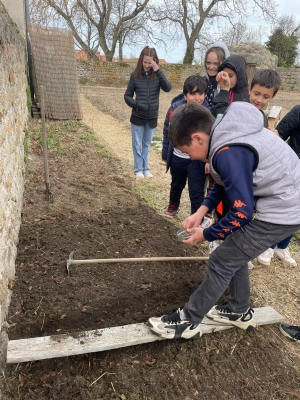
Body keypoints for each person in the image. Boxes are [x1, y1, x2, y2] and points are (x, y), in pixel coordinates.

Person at [147, 101, 300, 340]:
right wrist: (201, 212)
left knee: (221, 259)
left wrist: (206, 234)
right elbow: (225, 184)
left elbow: (241, 212)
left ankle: (188, 320)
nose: (191, 158)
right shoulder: (226, 136)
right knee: (234, 250)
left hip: (286, 210)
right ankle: (239, 310)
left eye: (187, 152)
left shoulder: (228, 151)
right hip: (287, 202)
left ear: (198, 139)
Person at [162, 75, 210, 217]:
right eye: (193, 94)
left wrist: (209, 160)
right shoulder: (174, 110)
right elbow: (167, 131)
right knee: (176, 184)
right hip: (178, 156)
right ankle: (172, 206)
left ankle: (196, 216)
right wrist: (166, 154)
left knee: (196, 190)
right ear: (185, 95)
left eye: (200, 94)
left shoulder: (207, 113)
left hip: (197, 160)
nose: (197, 98)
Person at [124, 46, 172, 178]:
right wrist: (137, 104)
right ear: (141, 60)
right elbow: (127, 96)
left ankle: (146, 168)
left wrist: (158, 71)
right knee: (137, 144)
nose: (146, 65)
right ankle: (138, 169)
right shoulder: (135, 76)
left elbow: (168, 88)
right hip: (138, 116)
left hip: (152, 117)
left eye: (149, 63)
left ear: (154, 61)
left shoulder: (157, 76)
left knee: (146, 144)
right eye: (144, 62)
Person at [203, 41, 230, 106]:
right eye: (208, 63)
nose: (211, 67)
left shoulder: (230, 86)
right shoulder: (201, 83)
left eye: (216, 64)